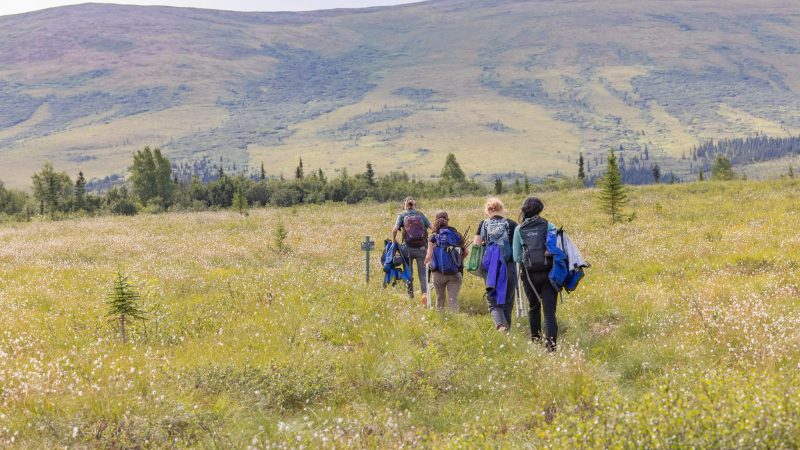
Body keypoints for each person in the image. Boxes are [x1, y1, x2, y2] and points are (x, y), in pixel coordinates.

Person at [513, 196, 559, 352]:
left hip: (529, 275)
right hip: (549, 274)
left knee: (534, 308)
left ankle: (535, 342)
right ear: (540, 209)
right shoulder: (549, 225)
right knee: (549, 311)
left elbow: (516, 257)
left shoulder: (519, 229)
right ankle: (551, 348)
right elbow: (557, 249)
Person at [474, 198, 518, 331]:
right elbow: (517, 247)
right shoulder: (511, 224)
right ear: (501, 209)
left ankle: (501, 326)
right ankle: (507, 333)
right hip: (509, 266)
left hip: (491, 268)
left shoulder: (483, 224)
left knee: (493, 301)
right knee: (508, 302)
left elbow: (476, 245)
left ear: (488, 210)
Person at [424, 211, 468, 311]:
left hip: (438, 273)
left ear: (435, 221)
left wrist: (427, 263)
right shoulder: (457, 235)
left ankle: (441, 321)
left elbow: (428, 256)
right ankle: (455, 322)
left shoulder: (433, 236)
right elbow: (466, 252)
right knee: (453, 300)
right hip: (454, 272)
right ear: (447, 221)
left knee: (440, 299)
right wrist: (457, 261)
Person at [392, 197, 431, 305]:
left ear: (405, 205)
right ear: (414, 205)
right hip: (421, 248)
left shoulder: (402, 215)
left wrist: (393, 241)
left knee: (409, 272)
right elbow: (432, 227)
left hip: (407, 249)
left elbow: (395, 229)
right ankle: (424, 294)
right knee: (422, 274)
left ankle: (411, 296)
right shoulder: (420, 215)